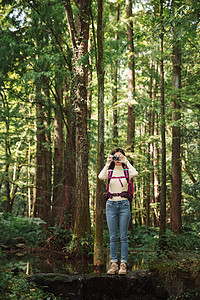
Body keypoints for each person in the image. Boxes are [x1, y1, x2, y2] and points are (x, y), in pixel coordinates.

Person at [98, 148, 138, 275]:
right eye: (115, 157)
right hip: (111, 204)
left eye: (120, 157)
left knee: (123, 237)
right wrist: (107, 162)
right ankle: (114, 264)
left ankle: (123, 264)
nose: (118, 159)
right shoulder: (109, 171)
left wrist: (126, 161)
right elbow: (100, 177)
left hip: (124, 204)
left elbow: (135, 173)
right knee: (113, 237)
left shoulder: (127, 170)